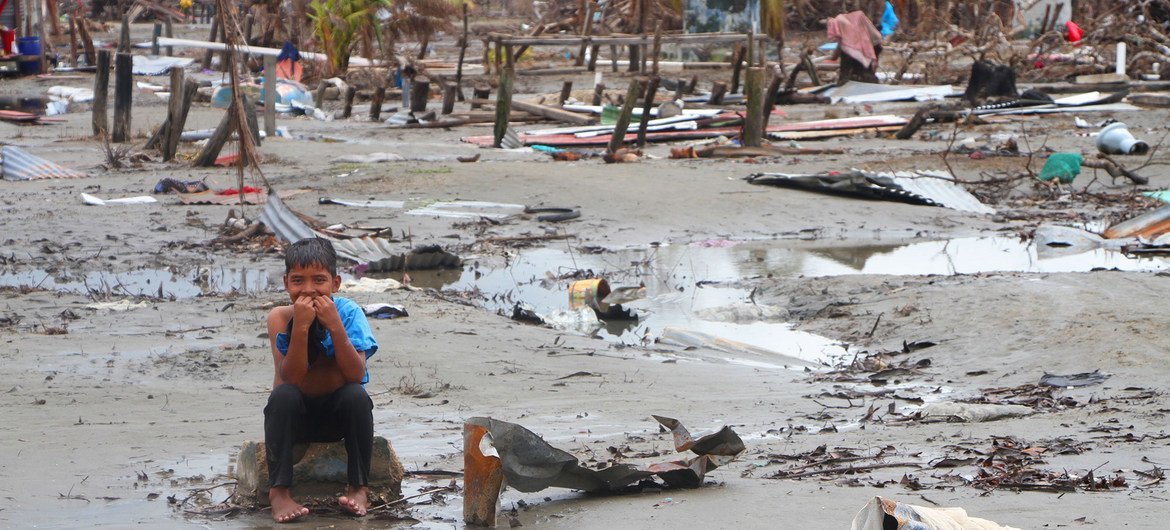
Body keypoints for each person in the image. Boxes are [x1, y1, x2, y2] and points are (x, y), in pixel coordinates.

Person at [264, 238, 379, 522]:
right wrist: (301, 327)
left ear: (335, 283)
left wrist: (334, 324)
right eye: (298, 281)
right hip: (296, 419)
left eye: (319, 280)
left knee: (356, 396)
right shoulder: (280, 317)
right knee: (282, 397)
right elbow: (289, 378)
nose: (308, 289)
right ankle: (279, 492)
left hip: (338, 418)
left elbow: (355, 374)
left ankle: (358, 487)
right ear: (286, 283)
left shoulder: (350, 313)